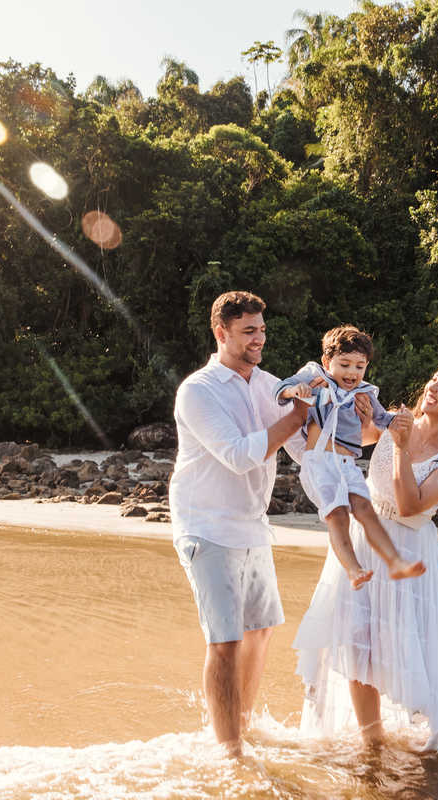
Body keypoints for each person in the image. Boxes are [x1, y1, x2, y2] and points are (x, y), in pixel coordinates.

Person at [293, 358, 438, 752]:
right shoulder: (396, 419)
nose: (432, 387)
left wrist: (400, 447)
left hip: (407, 549)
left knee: (403, 646)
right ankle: (373, 743)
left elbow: (408, 504)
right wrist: (336, 406)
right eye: (434, 378)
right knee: (356, 642)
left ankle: (434, 745)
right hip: (363, 537)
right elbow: (341, 440)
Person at [169, 290, 312, 758]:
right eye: (248, 331)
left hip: (253, 526)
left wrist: (358, 420)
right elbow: (238, 454)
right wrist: (299, 414)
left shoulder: (270, 384)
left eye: (262, 330)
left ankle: (241, 730)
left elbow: (305, 448)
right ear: (221, 333)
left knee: (260, 630)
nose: (258, 339)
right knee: (225, 639)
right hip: (206, 526)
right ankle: (229, 753)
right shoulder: (197, 390)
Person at [274, 326, 425, 589]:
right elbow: (280, 389)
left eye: (359, 366)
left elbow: (382, 420)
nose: (352, 373)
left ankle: (395, 563)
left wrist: (398, 419)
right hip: (319, 461)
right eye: (344, 364)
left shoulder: (364, 392)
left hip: (348, 464)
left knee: (366, 510)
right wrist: (296, 389)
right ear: (326, 361)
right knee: (338, 516)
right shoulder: (315, 375)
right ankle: (353, 569)